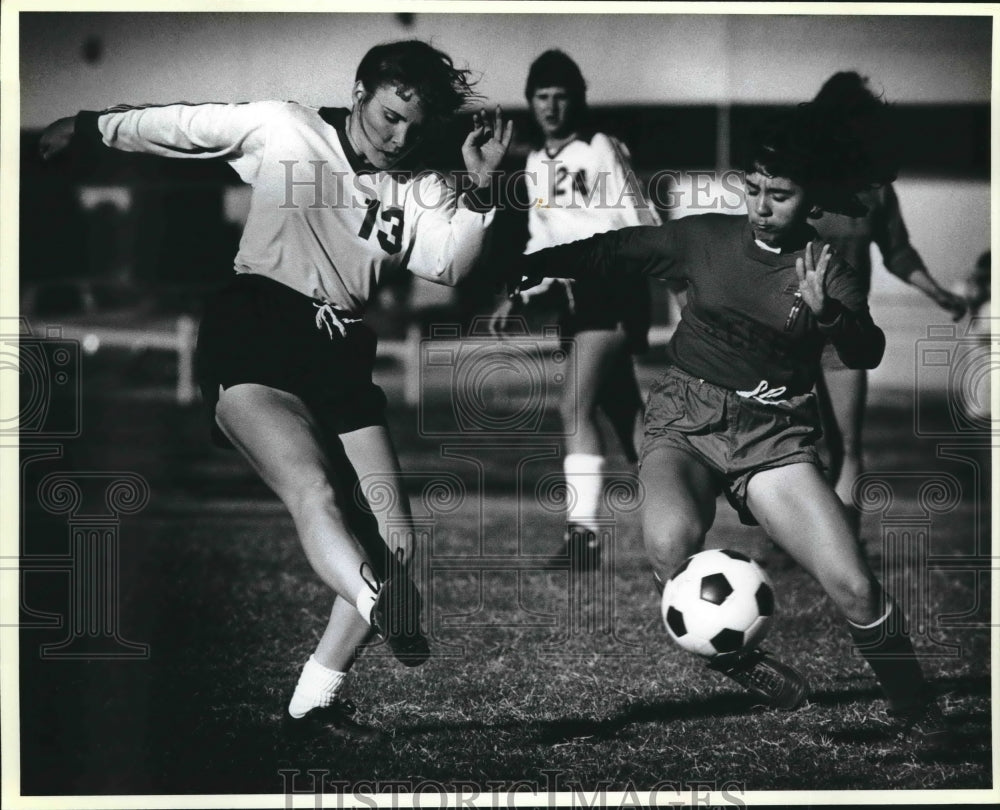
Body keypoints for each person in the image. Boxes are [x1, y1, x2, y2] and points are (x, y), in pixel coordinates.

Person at [39, 39, 512, 738]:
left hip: (341, 350)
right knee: (313, 490)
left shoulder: (420, 187)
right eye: (388, 116)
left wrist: (478, 190)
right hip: (257, 329)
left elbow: (446, 264)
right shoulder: (287, 129)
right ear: (359, 93)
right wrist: (88, 127)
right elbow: (180, 126)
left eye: (414, 125)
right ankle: (380, 603)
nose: (399, 136)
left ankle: (316, 699)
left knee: (397, 543)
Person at [507, 99, 949, 745]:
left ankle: (917, 711)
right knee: (667, 545)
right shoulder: (703, 238)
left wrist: (829, 315)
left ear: (811, 199)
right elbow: (618, 249)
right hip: (684, 419)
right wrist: (533, 264)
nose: (762, 205)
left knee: (854, 585)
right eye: (754, 188)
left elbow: (866, 350)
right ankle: (740, 659)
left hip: (773, 434)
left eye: (781, 194)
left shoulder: (825, 267)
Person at [490, 50, 661, 571]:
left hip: (611, 288)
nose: (551, 106)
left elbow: (642, 219)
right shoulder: (537, 162)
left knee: (574, 406)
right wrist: (518, 291)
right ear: (530, 102)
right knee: (629, 419)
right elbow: (544, 238)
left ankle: (583, 536)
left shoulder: (601, 148)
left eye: (561, 96)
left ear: (577, 100)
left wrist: (656, 282)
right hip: (571, 297)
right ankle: (683, 500)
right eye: (541, 97)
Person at [808, 72, 967, 531]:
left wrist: (937, 292)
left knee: (846, 443)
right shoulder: (797, 183)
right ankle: (800, 533)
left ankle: (843, 539)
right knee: (791, 443)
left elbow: (897, 252)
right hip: (786, 331)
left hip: (846, 333)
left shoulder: (876, 188)